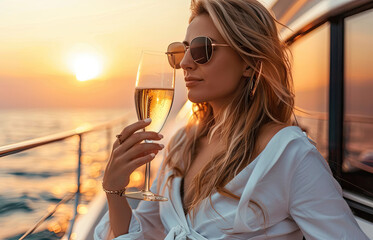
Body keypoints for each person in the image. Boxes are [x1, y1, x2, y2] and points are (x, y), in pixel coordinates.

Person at [95, 0, 369, 239]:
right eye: (182, 50)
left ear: (249, 62)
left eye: (202, 49)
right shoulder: (182, 145)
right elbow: (148, 234)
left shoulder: (290, 156)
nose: (185, 63)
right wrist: (114, 189)